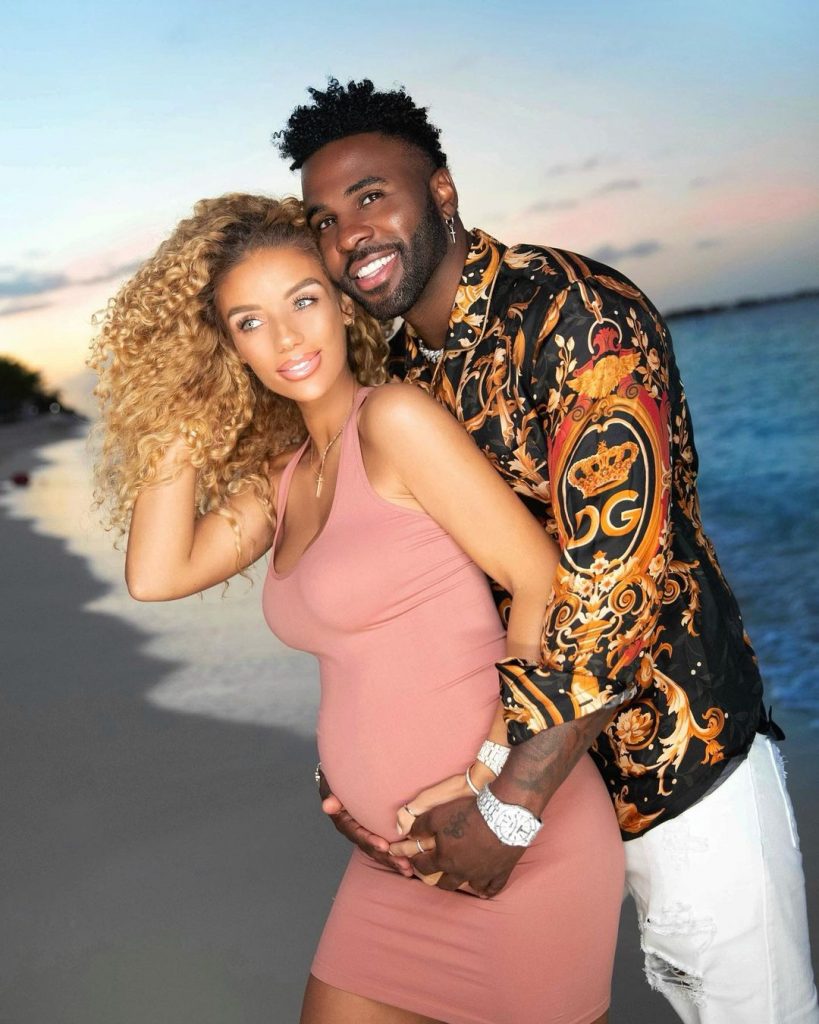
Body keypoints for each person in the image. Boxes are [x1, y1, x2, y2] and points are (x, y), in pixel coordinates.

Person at [276, 78, 819, 1023]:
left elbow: (612, 589)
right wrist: (363, 765)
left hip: (670, 768)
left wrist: (511, 807)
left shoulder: (574, 315)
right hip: (506, 793)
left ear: (441, 191)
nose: (348, 235)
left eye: (370, 196)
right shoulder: (399, 377)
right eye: (324, 219)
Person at [90, 193, 624, 1024]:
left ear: (343, 304)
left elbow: (539, 579)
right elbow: (158, 574)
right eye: (249, 322)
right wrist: (181, 401)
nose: (286, 339)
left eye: (302, 300)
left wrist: (488, 780)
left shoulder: (396, 421)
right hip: (390, 862)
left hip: (511, 840)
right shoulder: (279, 480)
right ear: (226, 346)